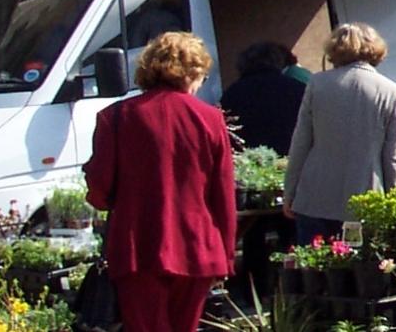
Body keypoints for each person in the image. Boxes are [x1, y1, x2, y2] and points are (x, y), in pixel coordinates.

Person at [83, 32, 236, 332]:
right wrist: (226, 253)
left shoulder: (114, 117)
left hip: (137, 244)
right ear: (193, 74)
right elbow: (223, 193)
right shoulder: (210, 119)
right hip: (196, 245)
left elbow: (99, 191)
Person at [284, 23, 396, 244]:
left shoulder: (317, 84)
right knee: (357, 270)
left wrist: (290, 191)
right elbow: (393, 158)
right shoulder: (393, 92)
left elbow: (301, 141)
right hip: (364, 197)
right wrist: (393, 202)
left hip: (315, 195)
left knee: (315, 270)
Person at [220, 41, 306, 154]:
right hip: (293, 157)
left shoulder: (233, 93)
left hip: (250, 161)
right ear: (278, 62)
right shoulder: (297, 88)